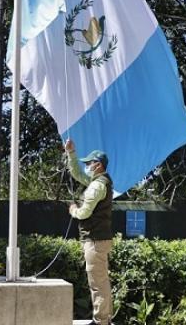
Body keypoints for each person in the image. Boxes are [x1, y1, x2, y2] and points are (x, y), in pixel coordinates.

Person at [65, 139, 113, 325]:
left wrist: (73, 210)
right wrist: (71, 153)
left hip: (95, 240)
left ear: (98, 165)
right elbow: (77, 173)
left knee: (98, 283)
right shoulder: (98, 182)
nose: (87, 166)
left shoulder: (97, 185)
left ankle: (101, 321)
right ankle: (103, 319)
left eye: (89, 163)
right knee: (100, 281)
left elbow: (85, 212)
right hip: (98, 240)